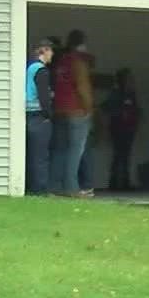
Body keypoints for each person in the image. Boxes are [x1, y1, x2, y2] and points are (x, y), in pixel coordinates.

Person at [49, 29, 95, 196]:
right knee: (76, 151)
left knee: (59, 150)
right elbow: (83, 88)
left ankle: (53, 187)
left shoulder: (61, 62)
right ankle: (71, 187)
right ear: (82, 43)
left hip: (59, 110)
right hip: (76, 112)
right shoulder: (78, 63)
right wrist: (89, 110)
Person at [23, 39, 55, 194]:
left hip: (27, 115)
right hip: (38, 116)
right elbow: (43, 96)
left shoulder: (29, 68)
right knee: (41, 155)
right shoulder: (41, 70)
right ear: (44, 50)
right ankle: (40, 189)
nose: (52, 54)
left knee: (31, 154)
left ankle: (30, 186)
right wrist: (49, 115)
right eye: (51, 51)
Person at [102, 68, 141, 191]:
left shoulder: (130, 93)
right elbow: (106, 107)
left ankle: (122, 181)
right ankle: (117, 183)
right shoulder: (118, 93)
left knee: (123, 156)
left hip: (128, 127)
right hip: (119, 127)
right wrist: (119, 113)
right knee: (120, 156)